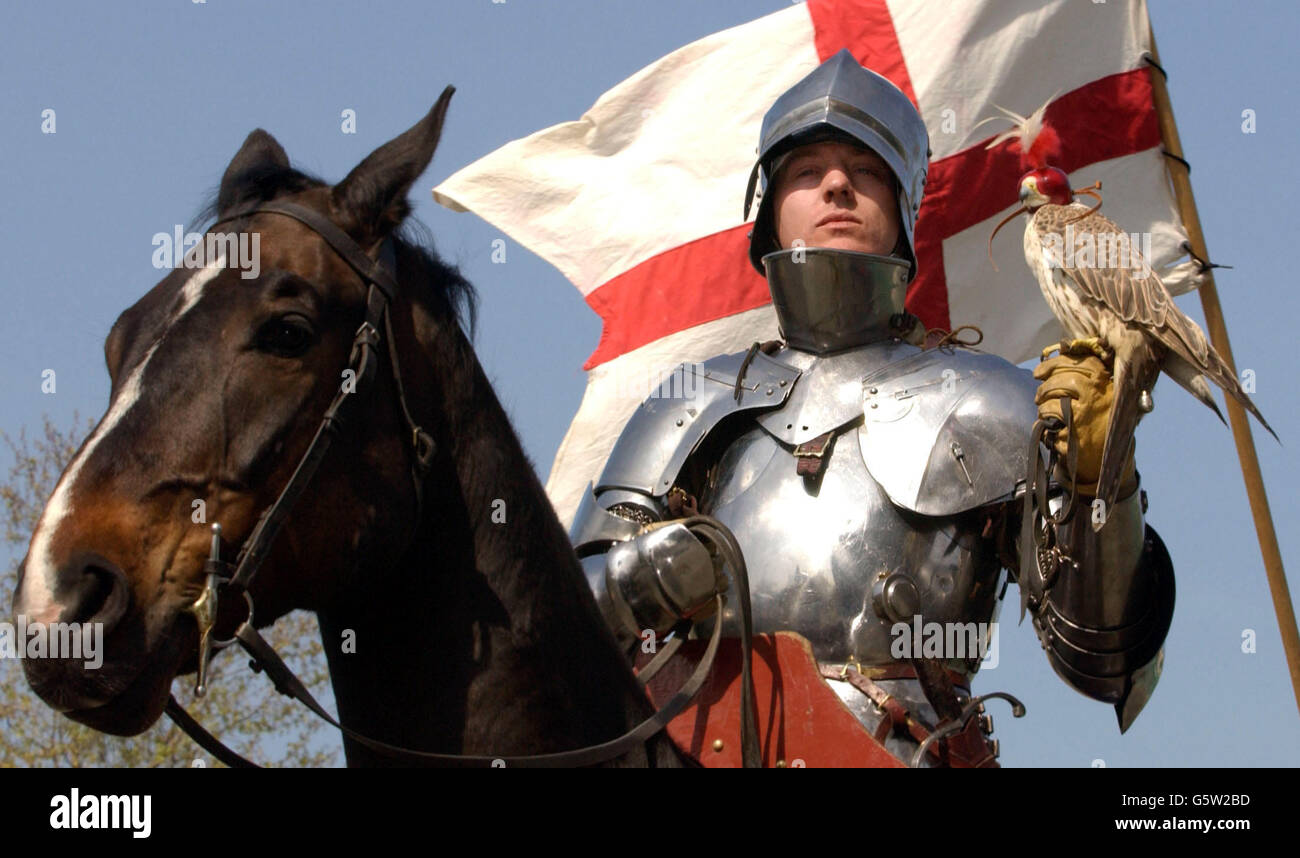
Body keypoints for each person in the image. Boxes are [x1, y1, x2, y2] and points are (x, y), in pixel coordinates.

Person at [569, 49, 1174, 767]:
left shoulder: (996, 399)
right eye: (807, 171)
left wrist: (1100, 483)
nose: (836, 187)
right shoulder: (691, 399)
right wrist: (649, 576)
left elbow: (1105, 661)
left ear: (901, 210)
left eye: (864, 173)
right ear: (771, 213)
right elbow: (569, 620)